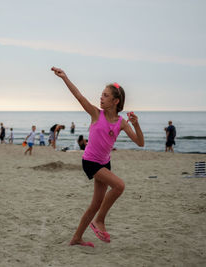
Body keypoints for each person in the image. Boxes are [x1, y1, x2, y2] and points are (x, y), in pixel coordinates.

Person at [51, 67, 144, 248]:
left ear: (116, 101)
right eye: (102, 94)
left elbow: (140, 143)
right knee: (119, 186)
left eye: (105, 95)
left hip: (104, 163)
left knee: (95, 204)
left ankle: (76, 238)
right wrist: (65, 77)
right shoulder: (96, 114)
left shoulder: (121, 123)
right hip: (90, 162)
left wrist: (137, 124)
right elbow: (79, 96)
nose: (101, 97)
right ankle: (99, 221)